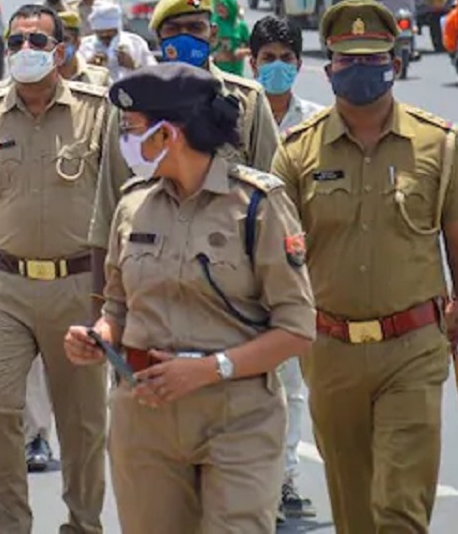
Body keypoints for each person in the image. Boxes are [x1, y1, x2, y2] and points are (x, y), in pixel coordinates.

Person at [272, 0, 458, 534]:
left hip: (412, 353)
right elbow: (274, 262)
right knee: (356, 521)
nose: (360, 70)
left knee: (399, 515)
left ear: (394, 66)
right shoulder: (296, 154)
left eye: (373, 59)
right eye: (347, 60)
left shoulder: (436, 145)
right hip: (330, 354)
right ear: (328, 71)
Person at [64, 62, 316, 533]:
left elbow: (297, 329)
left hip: (237, 417)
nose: (126, 141)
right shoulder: (134, 203)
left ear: (169, 133)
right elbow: (118, 305)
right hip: (145, 417)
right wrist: (98, 335)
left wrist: (208, 368)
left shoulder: (257, 205)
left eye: (134, 129)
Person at [0, 3, 110, 534]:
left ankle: (83, 524)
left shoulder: (99, 111)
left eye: (38, 43)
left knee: (83, 422)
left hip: (81, 288)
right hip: (8, 286)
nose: (26, 52)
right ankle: (9, 526)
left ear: (61, 52)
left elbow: (122, 201)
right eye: (16, 43)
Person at [87, 0, 281, 295]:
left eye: (195, 28)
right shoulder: (131, 107)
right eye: (174, 29)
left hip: (229, 287)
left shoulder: (247, 102)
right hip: (151, 282)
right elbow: (108, 209)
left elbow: (274, 204)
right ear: (159, 39)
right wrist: (99, 305)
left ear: (213, 34)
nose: (185, 37)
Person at [245, 14, 321, 522]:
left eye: (285, 60)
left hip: (299, 274)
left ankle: (286, 478)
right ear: (252, 63)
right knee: (253, 384)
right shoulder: (233, 115)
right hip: (244, 275)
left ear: (299, 65)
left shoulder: (317, 123)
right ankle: (252, 483)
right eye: (267, 59)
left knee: (293, 384)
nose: (276, 67)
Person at [57, 10, 109, 85]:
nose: (60, 45)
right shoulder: (41, 78)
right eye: (56, 39)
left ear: (77, 43)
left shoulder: (99, 77)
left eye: (65, 39)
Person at [211, 0, 250, 76]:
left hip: (236, 70)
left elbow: (253, 47)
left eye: (223, 5)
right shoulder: (212, 23)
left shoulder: (240, 25)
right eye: (218, 5)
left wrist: (242, 52)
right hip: (216, 71)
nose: (219, 8)